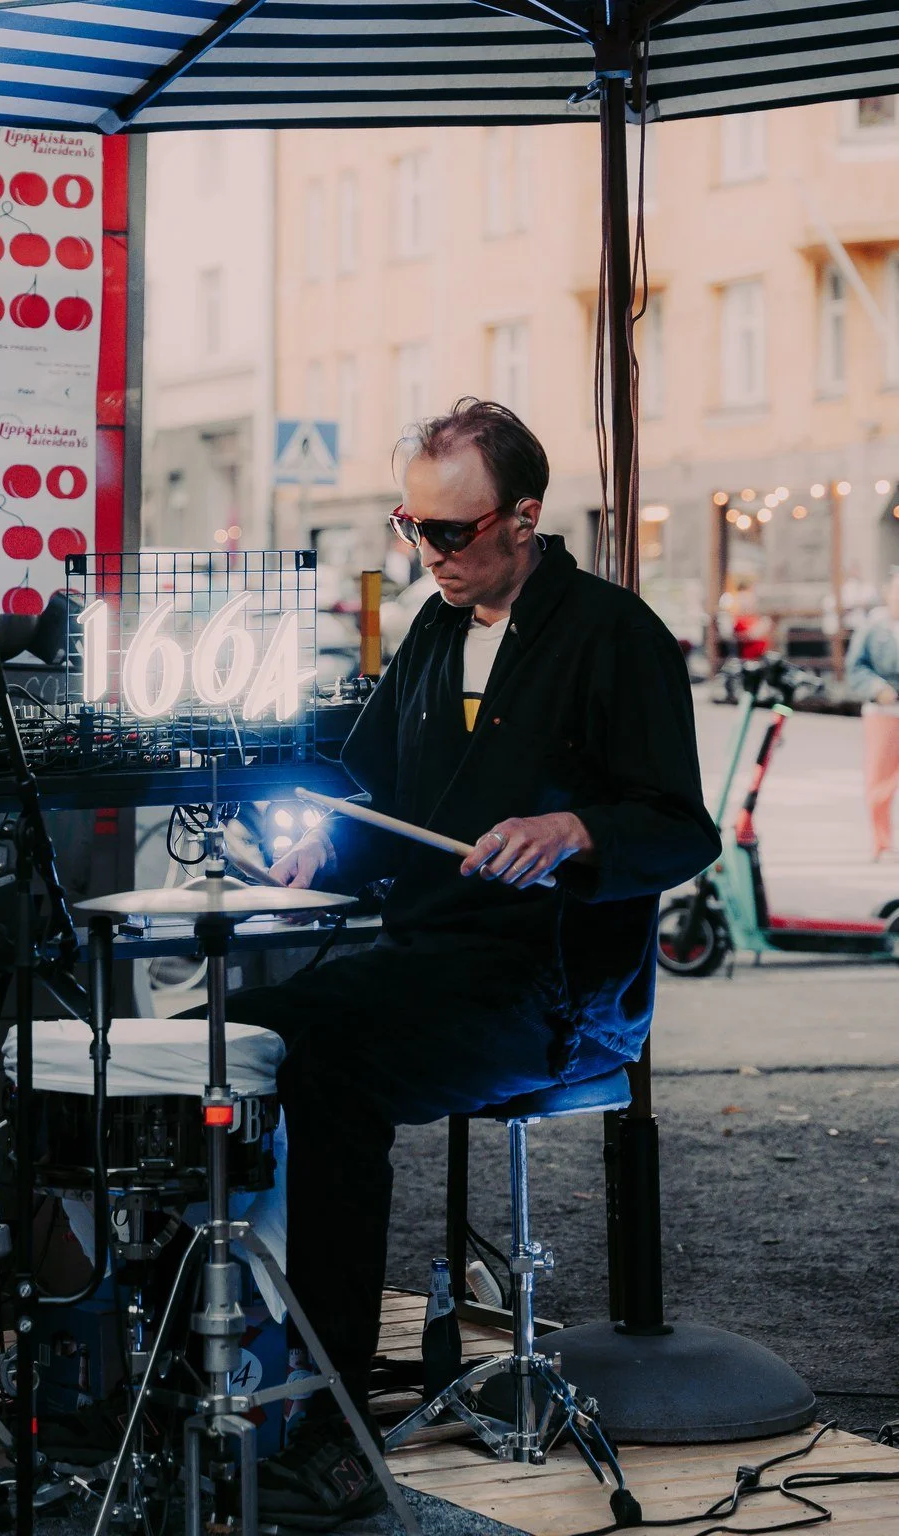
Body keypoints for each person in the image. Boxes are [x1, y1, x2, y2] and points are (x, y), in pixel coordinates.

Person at [221, 399, 720, 1529]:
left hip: (555, 991)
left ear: (524, 518)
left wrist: (576, 832)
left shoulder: (610, 633)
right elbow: (370, 803)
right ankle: (220, 1377)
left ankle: (336, 1428)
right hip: (426, 961)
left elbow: (681, 830)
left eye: (449, 533)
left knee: (328, 1062)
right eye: (412, 528)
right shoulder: (435, 633)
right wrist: (308, 852)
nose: (428, 557)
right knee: (242, 1030)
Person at [846, 569, 899, 859]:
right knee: (881, 779)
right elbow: (856, 667)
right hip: (884, 710)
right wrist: (878, 688)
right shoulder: (874, 627)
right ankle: (882, 841)